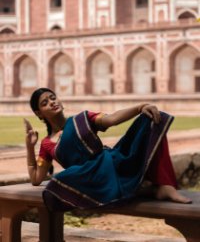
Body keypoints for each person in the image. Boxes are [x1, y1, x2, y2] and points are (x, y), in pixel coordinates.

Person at [24, 87, 191, 211]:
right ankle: (152, 191)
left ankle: (164, 187)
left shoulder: (83, 118)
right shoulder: (46, 144)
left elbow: (112, 119)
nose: (52, 102)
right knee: (62, 178)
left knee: (152, 119)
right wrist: (30, 147)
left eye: (53, 98)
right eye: (45, 102)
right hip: (86, 178)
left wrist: (140, 107)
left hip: (112, 163)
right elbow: (36, 178)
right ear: (39, 113)